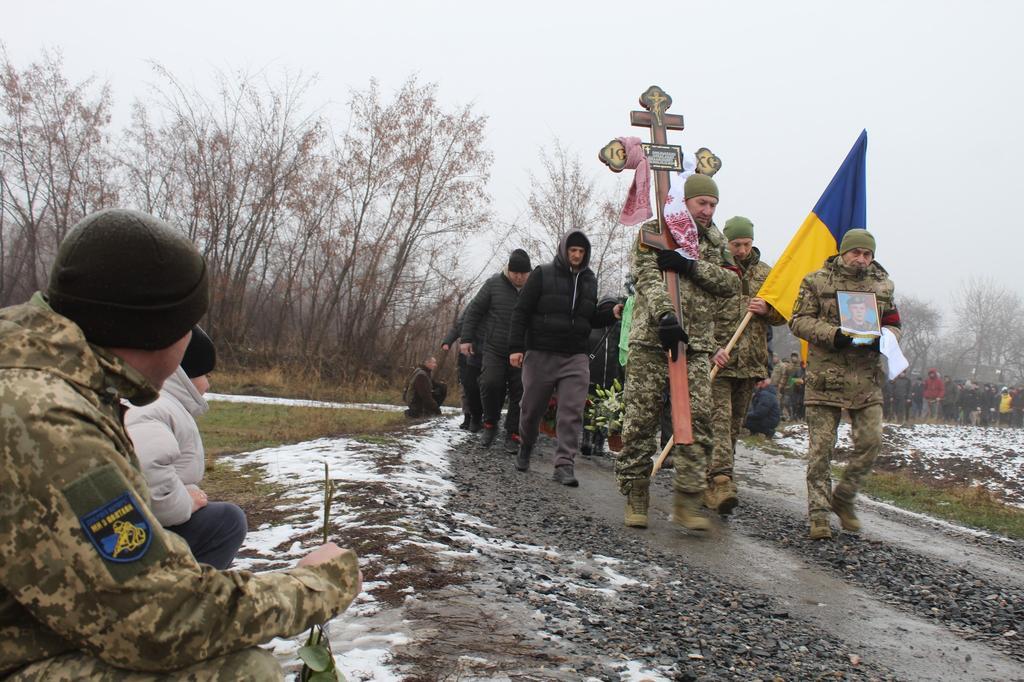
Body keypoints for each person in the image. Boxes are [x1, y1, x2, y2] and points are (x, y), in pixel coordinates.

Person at [0, 209, 361, 680]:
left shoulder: (40, 374)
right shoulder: (49, 419)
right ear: (160, 330)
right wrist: (317, 584)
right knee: (241, 671)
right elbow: (158, 621)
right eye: (189, 325)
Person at [615, 173, 739, 530]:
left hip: (696, 344)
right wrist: (666, 315)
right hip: (653, 338)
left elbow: (731, 283)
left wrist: (690, 265)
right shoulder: (654, 230)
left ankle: (688, 500)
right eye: (702, 203)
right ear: (685, 202)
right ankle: (636, 495)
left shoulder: (715, 241)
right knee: (640, 420)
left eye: (713, 204)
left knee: (697, 421)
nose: (708, 210)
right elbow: (646, 276)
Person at [790, 229, 901, 540]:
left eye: (867, 254)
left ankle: (845, 495)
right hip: (826, 376)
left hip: (866, 379)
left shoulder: (883, 286)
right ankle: (819, 515)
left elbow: (894, 323)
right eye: (856, 253)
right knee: (821, 450)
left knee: (872, 441)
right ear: (844, 252)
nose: (862, 259)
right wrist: (834, 334)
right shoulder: (816, 281)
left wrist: (886, 338)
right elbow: (797, 319)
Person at [125, 325, 247, 570]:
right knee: (229, 520)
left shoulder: (160, 403)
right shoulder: (156, 407)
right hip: (131, 530)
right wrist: (186, 503)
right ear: (184, 375)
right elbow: (148, 478)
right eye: (206, 376)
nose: (209, 385)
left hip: (140, 520)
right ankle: (193, 595)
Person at [508, 231, 622, 485]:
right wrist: (516, 348)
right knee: (531, 409)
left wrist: (611, 313)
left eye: (582, 251)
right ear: (564, 250)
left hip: (575, 356)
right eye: (573, 250)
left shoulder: (589, 280)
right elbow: (521, 312)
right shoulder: (542, 274)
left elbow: (589, 318)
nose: (577, 255)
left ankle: (564, 465)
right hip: (540, 352)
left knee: (572, 410)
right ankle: (526, 445)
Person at [706, 216, 786, 514]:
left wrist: (768, 309)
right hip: (720, 360)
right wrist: (711, 347)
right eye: (736, 244)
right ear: (727, 242)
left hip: (750, 363)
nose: (741, 250)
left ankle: (712, 481)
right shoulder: (717, 269)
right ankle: (724, 480)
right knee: (719, 421)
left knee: (734, 426)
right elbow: (700, 312)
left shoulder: (767, 275)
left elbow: (783, 314)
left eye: (746, 244)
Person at [461, 249, 532, 450]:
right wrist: (466, 339)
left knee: (521, 391)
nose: (519, 277)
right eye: (515, 273)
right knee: (490, 383)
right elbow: (474, 311)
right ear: (508, 270)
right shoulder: (493, 284)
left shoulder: (535, 288)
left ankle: (513, 433)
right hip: (495, 347)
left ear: (528, 273)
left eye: (523, 274)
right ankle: (490, 423)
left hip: (522, 350)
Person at [581, 295, 624, 458]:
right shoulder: (592, 328)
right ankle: (586, 440)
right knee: (589, 411)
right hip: (591, 378)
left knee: (606, 414)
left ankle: (599, 444)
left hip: (612, 381)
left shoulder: (618, 330)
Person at [441, 308, 483, 430]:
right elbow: (457, 327)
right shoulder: (469, 314)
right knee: (466, 387)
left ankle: (479, 417)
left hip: (485, 356)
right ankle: (467, 417)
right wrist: (447, 341)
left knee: (482, 388)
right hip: (466, 357)